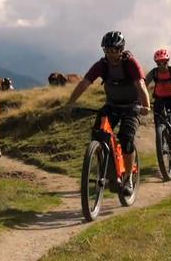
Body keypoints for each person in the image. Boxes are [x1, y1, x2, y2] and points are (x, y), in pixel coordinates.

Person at [64, 31, 151, 196]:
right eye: (108, 50)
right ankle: (109, 169)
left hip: (132, 106)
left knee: (126, 139)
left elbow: (140, 84)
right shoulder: (102, 65)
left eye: (114, 50)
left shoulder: (130, 63)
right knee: (98, 134)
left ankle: (127, 179)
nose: (111, 54)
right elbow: (85, 82)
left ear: (121, 49)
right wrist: (71, 102)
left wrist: (146, 105)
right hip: (111, 106)